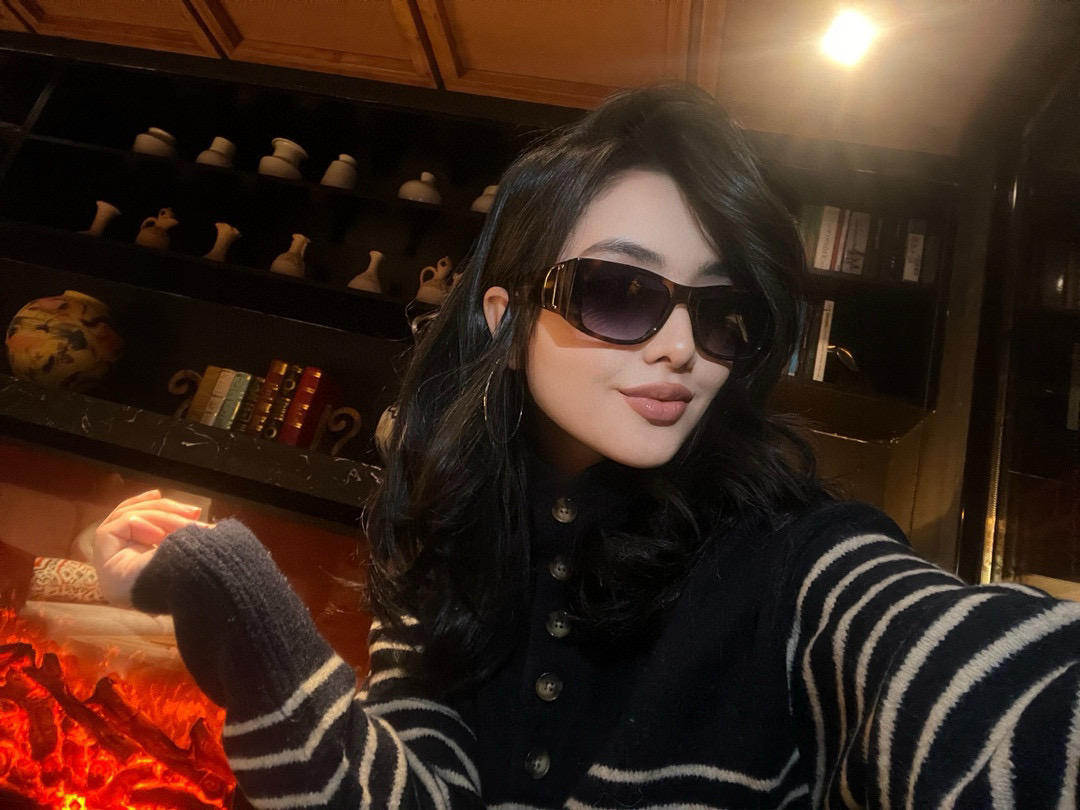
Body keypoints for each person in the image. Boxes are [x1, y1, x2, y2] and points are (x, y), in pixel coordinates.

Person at [94, 84, 1080, 809]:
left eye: (723, 312)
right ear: (503, 318)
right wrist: (235, 602)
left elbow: (981, 689)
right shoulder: (455, 549)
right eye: (621, 290)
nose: (682, 348)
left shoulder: (800, 562)